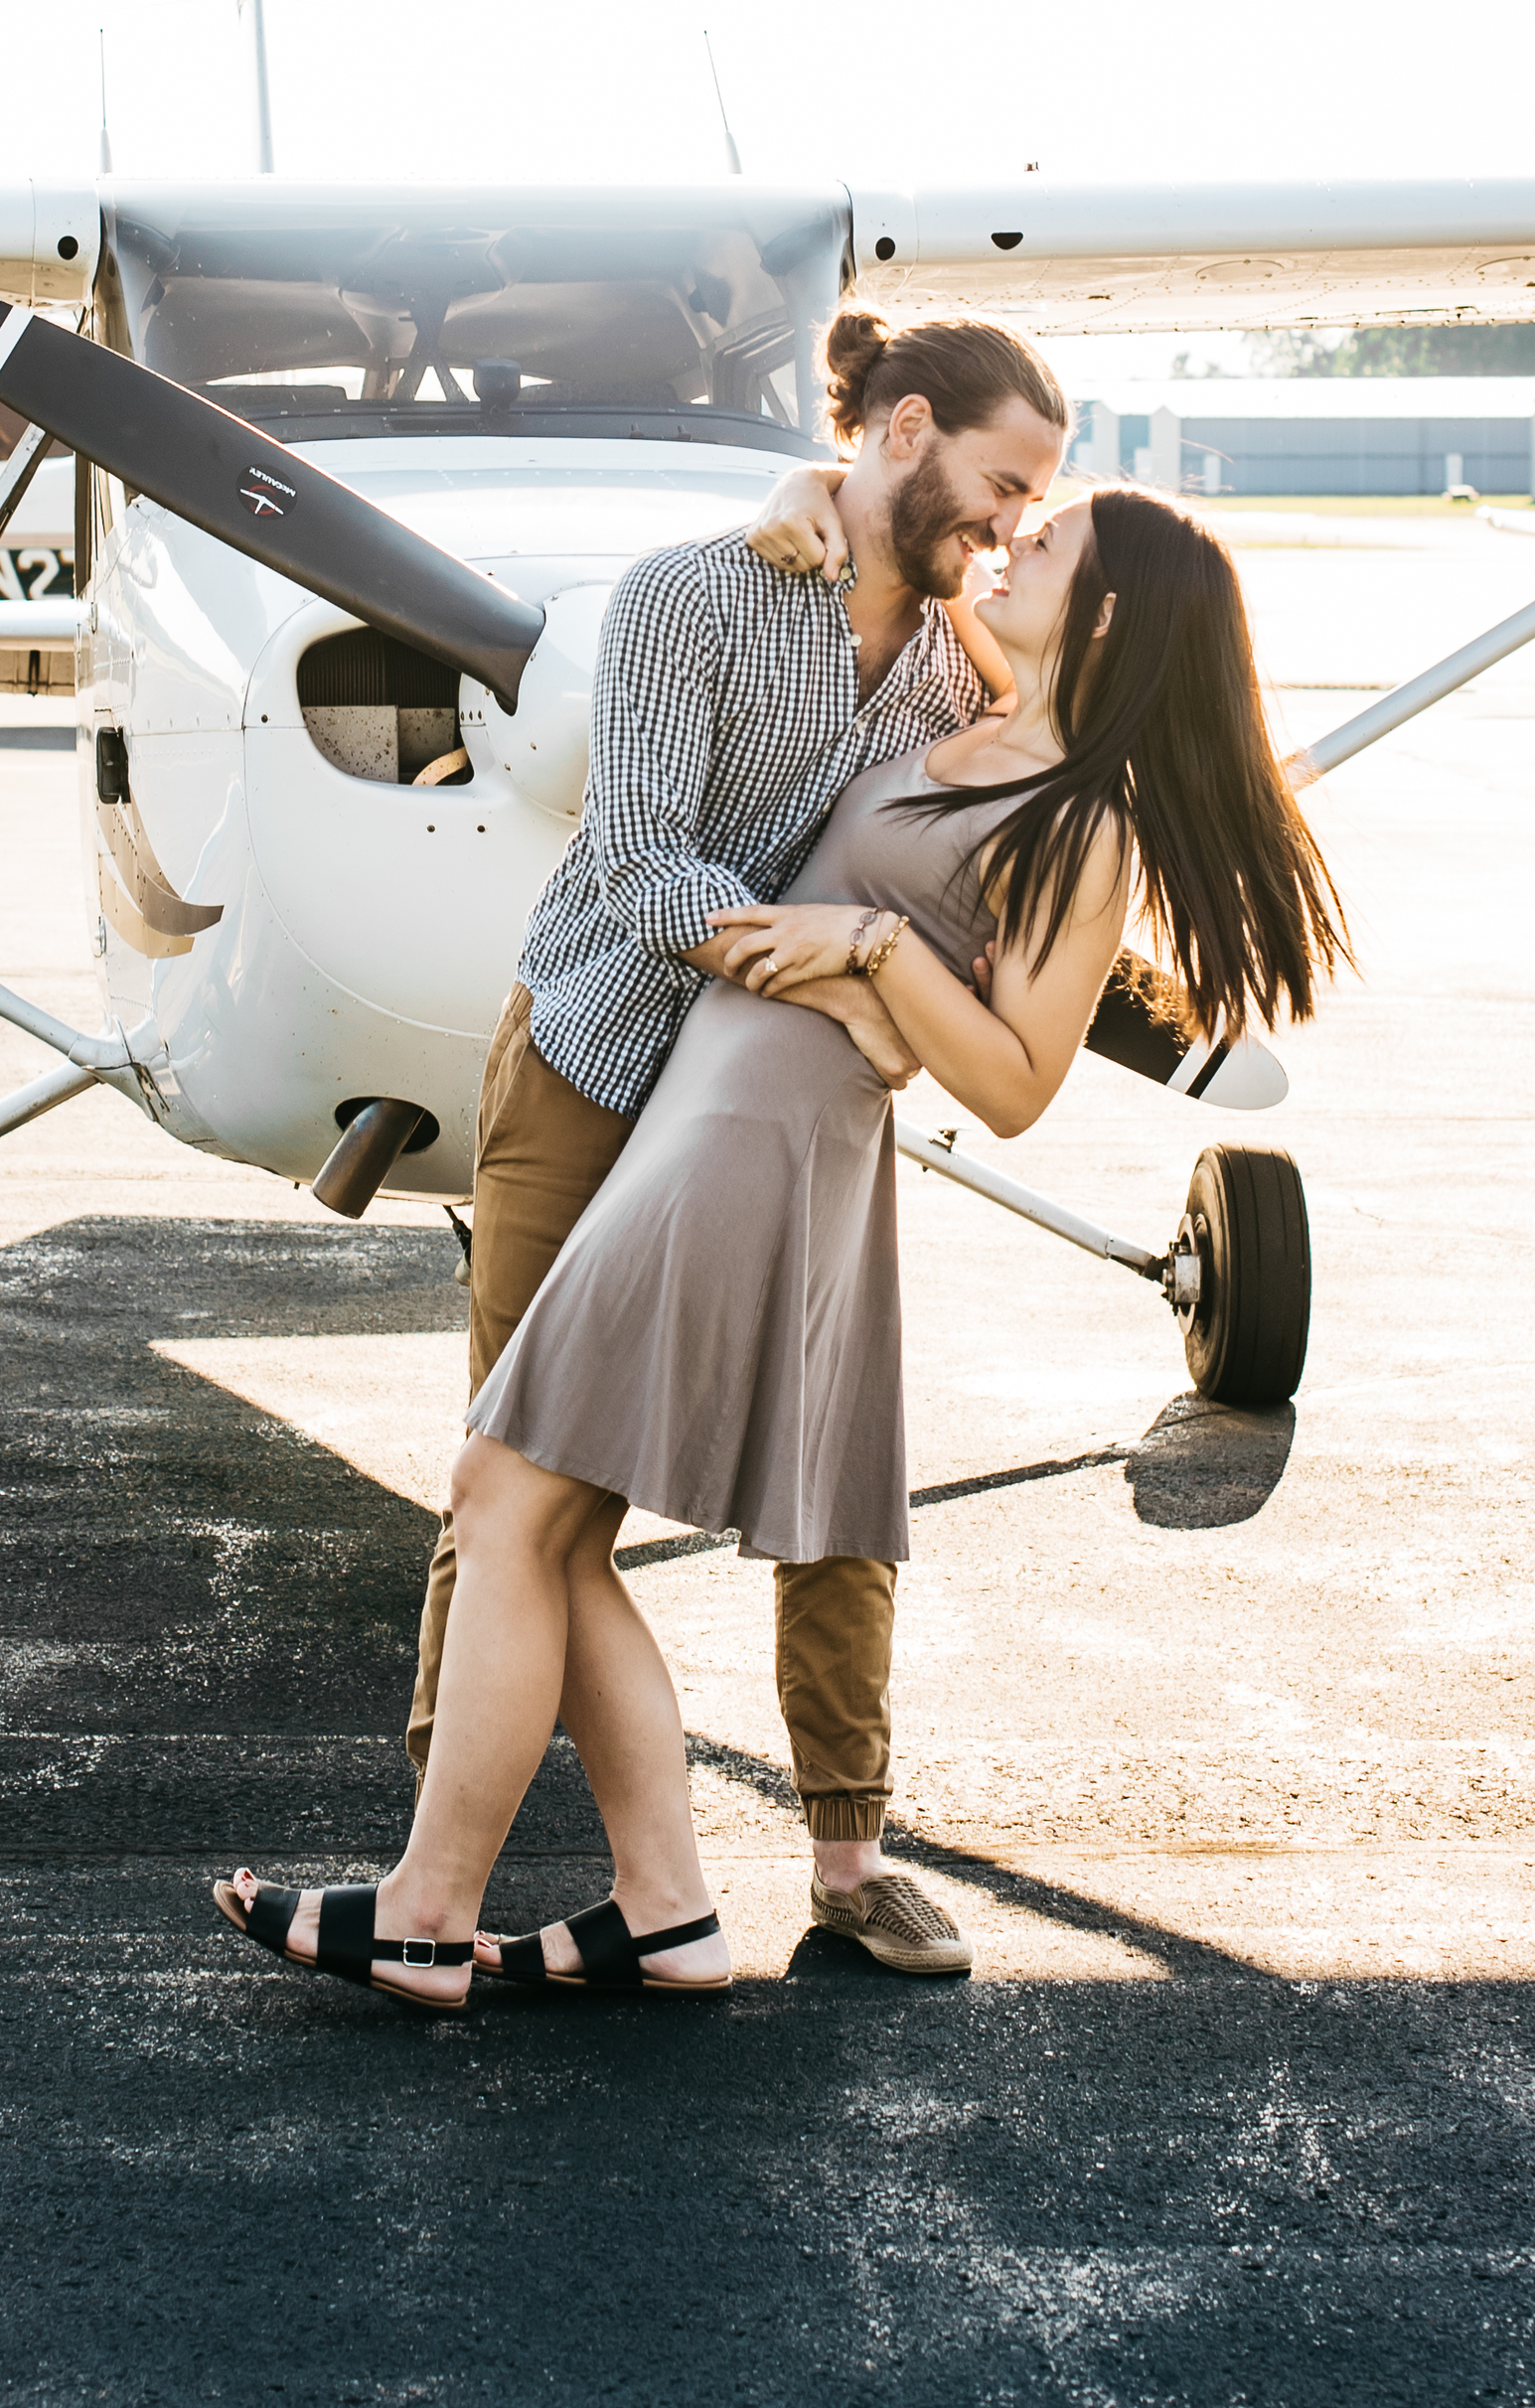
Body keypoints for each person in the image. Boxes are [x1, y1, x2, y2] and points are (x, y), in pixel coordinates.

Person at [212, 467, 1350, 2008]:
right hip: (701, 1103)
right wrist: (793, 499)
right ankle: (661, 1904)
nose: (1012, 538)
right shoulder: (963, 697)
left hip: (759, 1141)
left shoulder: (1086, 828)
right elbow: (849, 587)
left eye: (1049, 534)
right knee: (538, 1510)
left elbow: (1013, 1085)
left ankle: (432, 1911)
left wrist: (871, 948)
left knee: (505, 1491)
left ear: (1114, 611)